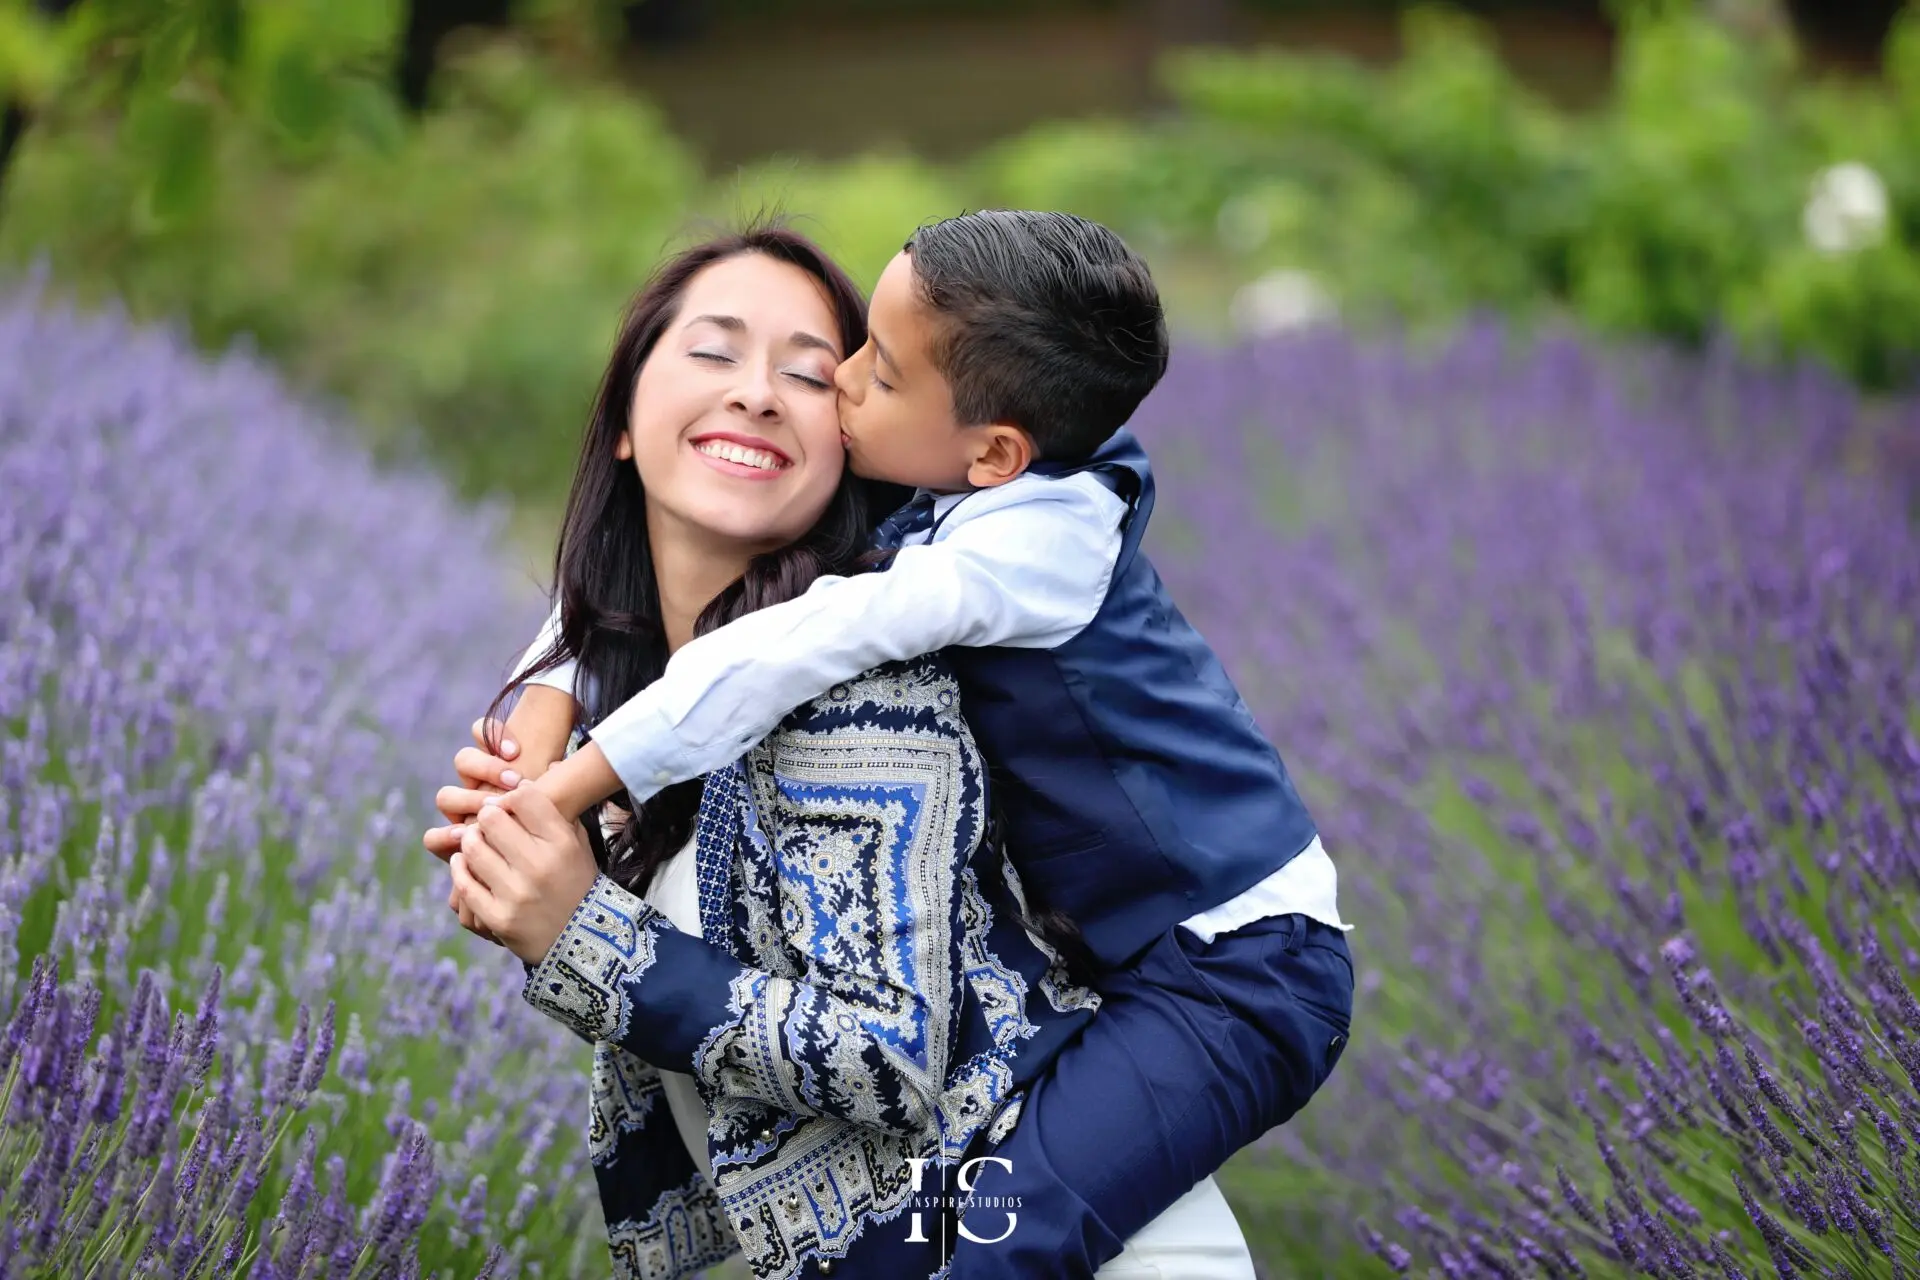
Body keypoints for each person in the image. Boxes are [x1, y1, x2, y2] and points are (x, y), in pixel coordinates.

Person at [436, 209, 1355, 1277]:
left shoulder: (890, 646)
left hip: (1226, 980)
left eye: (824, 367)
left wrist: (572, 899)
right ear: (625, 417)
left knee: (1002, 1247)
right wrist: (546, 716)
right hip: (1119, 1011)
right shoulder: (912, 505)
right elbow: (608, 600)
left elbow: (883, 1055)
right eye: (713, 350)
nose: (774, 391)